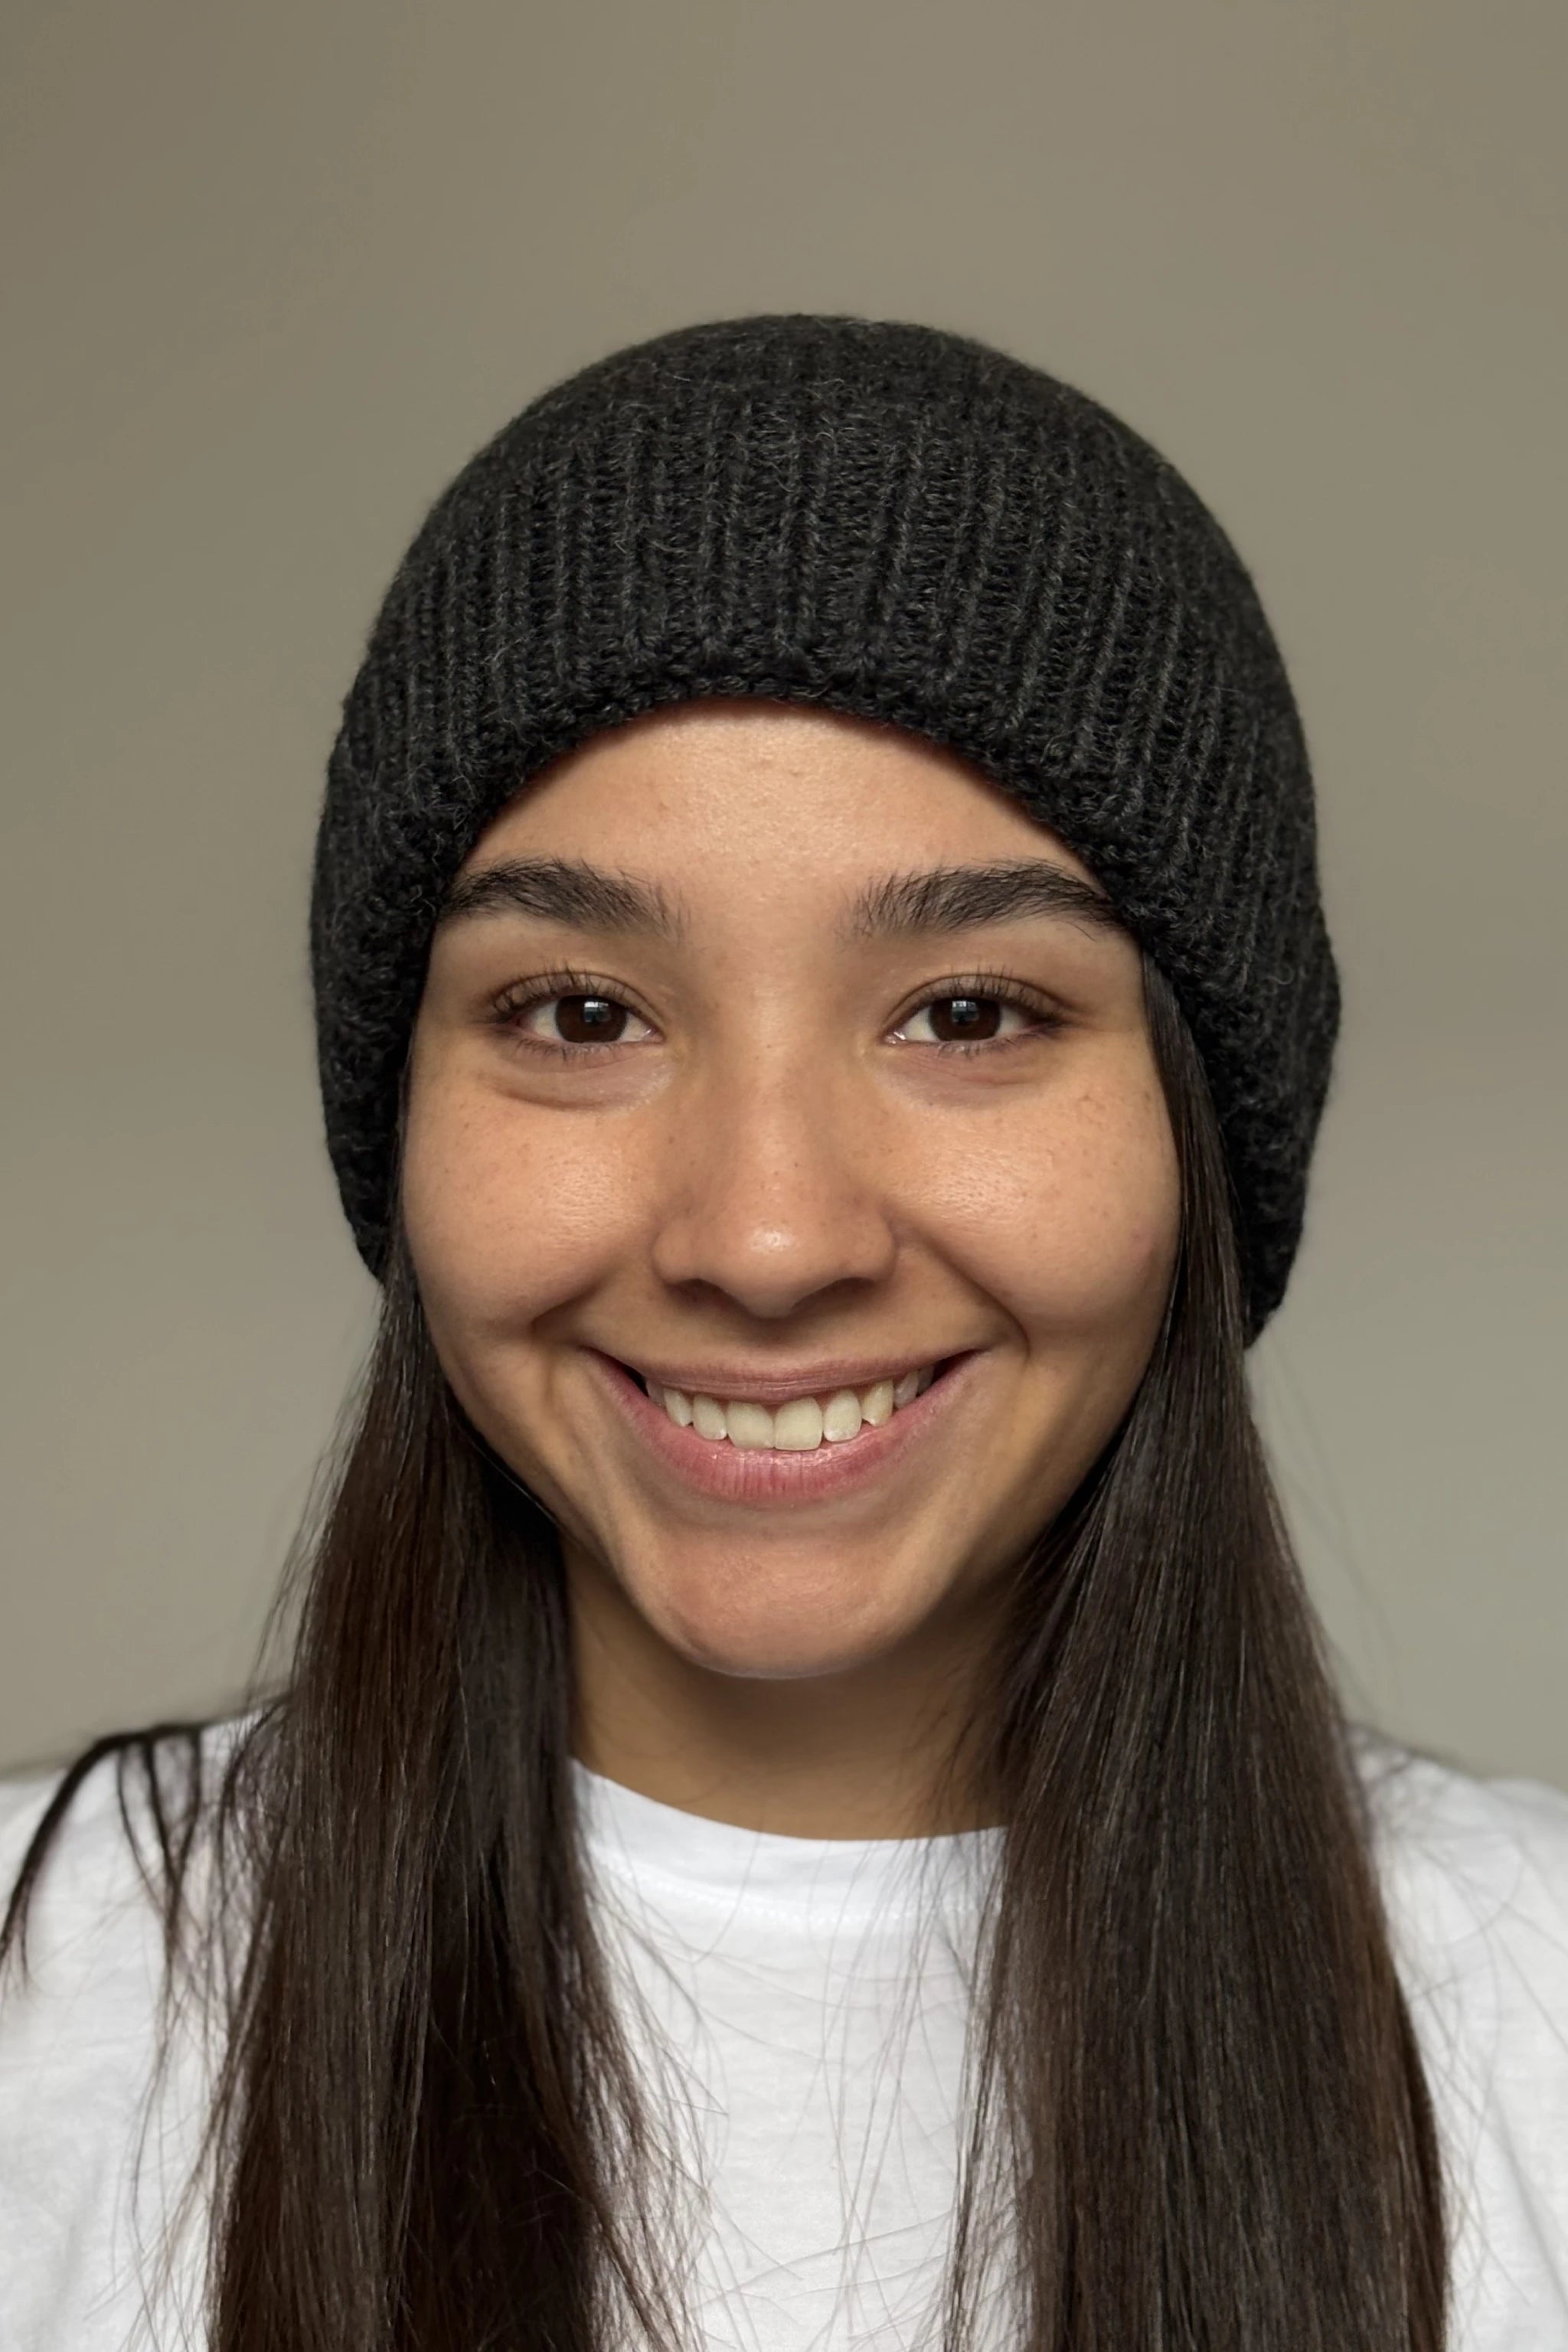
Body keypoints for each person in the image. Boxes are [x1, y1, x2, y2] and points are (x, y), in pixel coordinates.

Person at [2, 315, 1564, 2352]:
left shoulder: (1533, 2019)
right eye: (580, 1014)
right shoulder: (49, 2001)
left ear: (1199, 1136)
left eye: (973, 1015)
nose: (763, 1233)